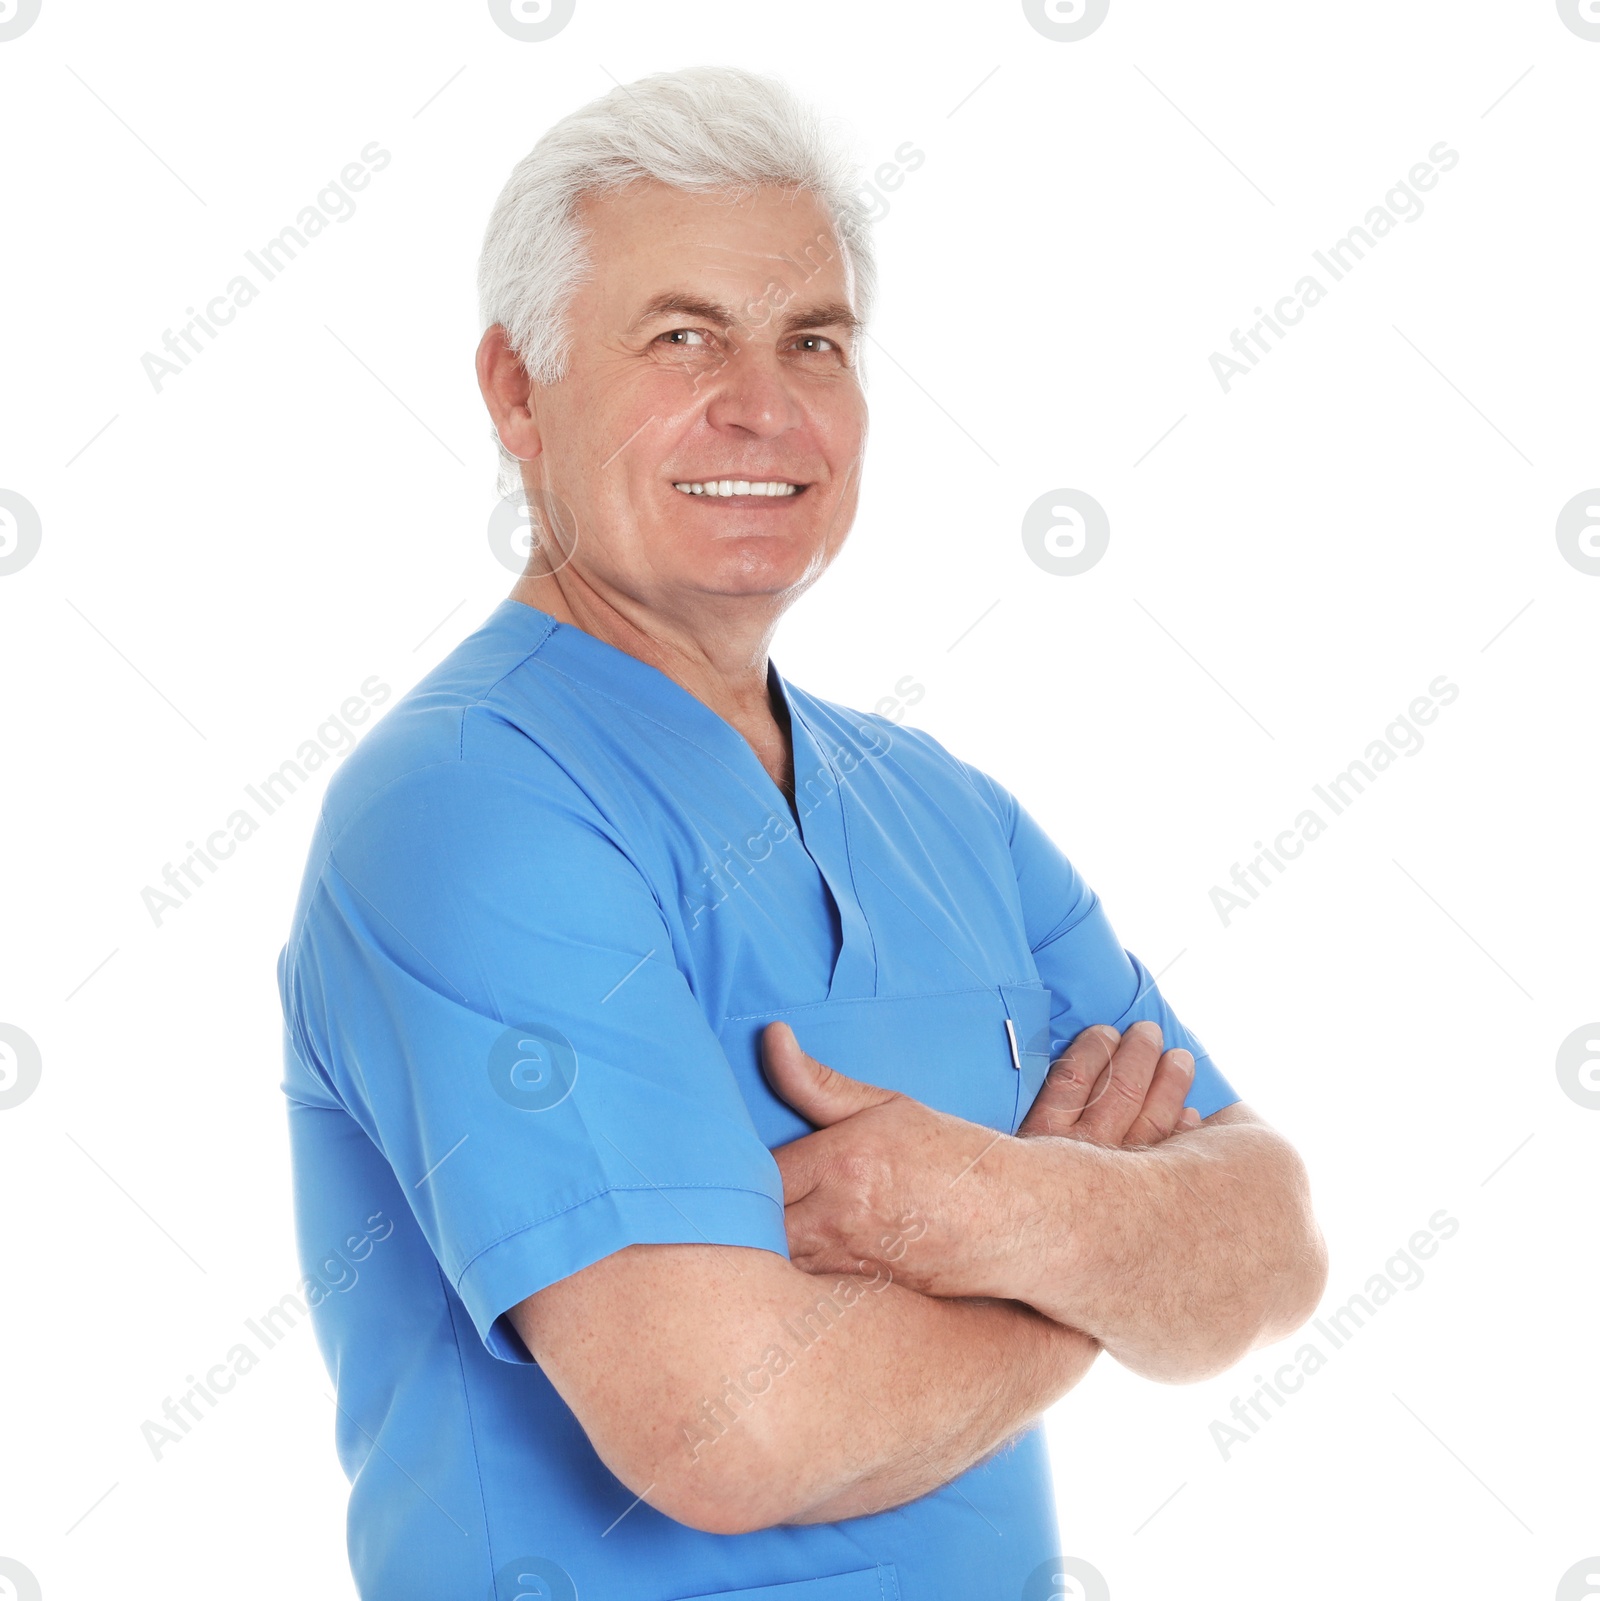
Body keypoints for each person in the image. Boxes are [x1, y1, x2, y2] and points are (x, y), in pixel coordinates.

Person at [276, 65, 1327, 1601]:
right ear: (518, 390)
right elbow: (729, 1427)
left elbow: (1271, 1244)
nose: (760, 407)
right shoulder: (461, 810)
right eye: (683, 334)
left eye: (812, 340)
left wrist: (976, 1204)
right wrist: (1097, 1262)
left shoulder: (943, 810)